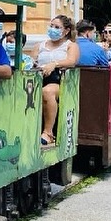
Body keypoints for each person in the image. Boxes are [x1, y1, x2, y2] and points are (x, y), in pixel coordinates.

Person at [32, 15, 80, 146]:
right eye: (51, 26)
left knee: (47, 92)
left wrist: (54, 64)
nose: (53, 29)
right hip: (39, 78)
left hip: (59, 81)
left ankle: (48, 133)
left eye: (57, 27)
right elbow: (32, 61)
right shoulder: (39, 45)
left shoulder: (70, 46)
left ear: (66, 31)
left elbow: (71, 61)